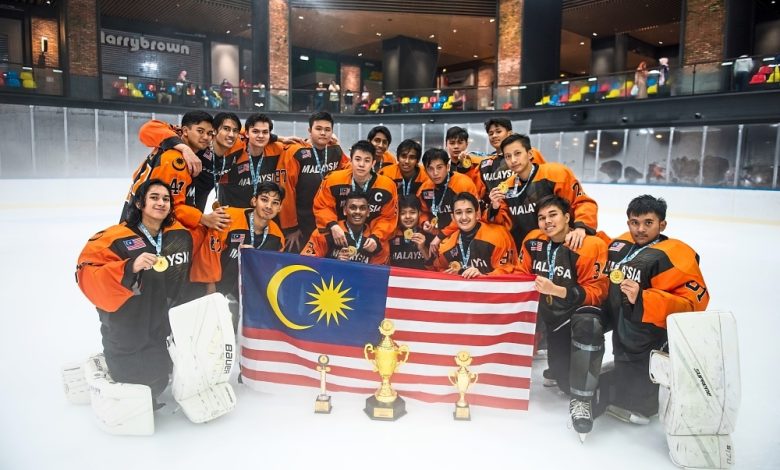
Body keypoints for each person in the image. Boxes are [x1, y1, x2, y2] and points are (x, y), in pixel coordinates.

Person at [589, 195, 710, 429]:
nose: (640, 229)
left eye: (648, 223)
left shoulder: (676, 255)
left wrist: (644, 299)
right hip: (621, 322)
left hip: (649, 333)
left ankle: (642, 397)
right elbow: (602, 250)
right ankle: (619, 378)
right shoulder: (622, 243)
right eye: (635, 223)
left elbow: (693, 303)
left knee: (640, 391)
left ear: (662, 224)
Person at [76, 179, 195, 402]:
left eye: (166, 199)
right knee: (133, 381)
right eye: (154, 197)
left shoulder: (179, 234)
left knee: (158, 378)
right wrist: (129, 267)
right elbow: (87, 272)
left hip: (161, 319)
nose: (161, 203)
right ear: (139, 203)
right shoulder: (113, 237)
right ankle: (111, 380)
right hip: (126, 322)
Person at [516, 195, 608, 440]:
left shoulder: (589, 245)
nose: (547, 221)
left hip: (578, 317)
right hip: (554, 321)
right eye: (541, 218)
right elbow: (519, 274)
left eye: (553, 215)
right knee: (563, 380)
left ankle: (608, 382)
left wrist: (557, 290)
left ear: (568, 217)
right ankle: (569, 369)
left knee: (588, 323)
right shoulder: (533, 241)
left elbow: (597, 294)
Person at [192, 181, 286, 329]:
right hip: (212, 287)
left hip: (243, 294)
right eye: (264, 199)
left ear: (280, 208)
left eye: (275, 203)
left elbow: (269, 273)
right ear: (254, 201)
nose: (269, 206)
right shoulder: (229, 218)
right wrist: (211, 291)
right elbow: (209, 254)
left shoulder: (278, 237)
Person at [488, 133, 598, 253]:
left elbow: (582, 203)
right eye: (508, 156)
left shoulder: (556, 174)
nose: (513, 160)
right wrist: (495, 208)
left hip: (566, 248)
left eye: (517, 153)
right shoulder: (506, 187)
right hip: (529, 253)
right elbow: (504, 225)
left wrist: (581, 228)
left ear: (530, 154)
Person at [125, 111, 224, 230]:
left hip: (141, 214)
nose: (206, 137)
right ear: (185, 131)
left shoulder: (180, 143)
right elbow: (170, 206)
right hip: (147, 224)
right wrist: (204, 219)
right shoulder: (176, 159)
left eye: (209, 133)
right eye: (200, 131)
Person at [280, 111, 350, 253]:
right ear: (309, 130)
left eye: (327, 129)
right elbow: (287, 190)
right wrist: (290, 228)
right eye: (318, 129)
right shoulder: (296, 152)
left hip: (327, 220)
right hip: (301, 222)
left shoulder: (335, 150)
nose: (323, 133)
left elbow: (349, 171)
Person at [312, 139, 398, 252]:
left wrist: (376, 237)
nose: (361, 164)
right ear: (351, 160)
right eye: (357, 159)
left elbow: (388, 217)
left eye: (367, 160)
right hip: (338, 233)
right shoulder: (333, 180)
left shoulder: (388, 186)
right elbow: (322, 206)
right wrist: (333, 225)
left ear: (373, 163)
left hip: (370, 236)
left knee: (383, 248)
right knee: (319, 236)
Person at [433, 192, 516, 278]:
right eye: (458, 213)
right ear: (453, 217)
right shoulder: (446, 246)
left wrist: (482, 277)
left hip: (490, 286)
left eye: (469, 211)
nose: (464, 217)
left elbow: (509, 270)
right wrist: (456, 273)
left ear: (477, 214)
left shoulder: (498, 236)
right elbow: (437, 269)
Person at [219, 113, 289, 209]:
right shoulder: (233, 150)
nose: (261, 136)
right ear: (247, 133)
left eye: (265, 132)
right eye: (255, 131)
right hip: (233, 213)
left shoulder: (277, 149)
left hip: (262, 214)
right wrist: (277, 137)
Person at [417, 148, 478, 257]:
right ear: (425, 171)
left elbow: (471, 216)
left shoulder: (463, 184)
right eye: (430, 169)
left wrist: (440, 236)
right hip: (438, 235)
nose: (435, 173)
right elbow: (422, 211)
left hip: (464, 234)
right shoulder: (424, 189)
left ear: (448, 166)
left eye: (439, 167)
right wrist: (424, 222)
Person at [302, 191, 389, 265]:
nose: (357, 212)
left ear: (368, 212)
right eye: (353, 207)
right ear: (345, 210)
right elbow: (305, 263)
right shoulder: (324, 233)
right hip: (328, 279)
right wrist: (334, 262)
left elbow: (378, 275)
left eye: (362, 208)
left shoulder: (377, 240)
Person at [389, 195, 432, 270]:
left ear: (419, 213)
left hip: (421, 277)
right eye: (403, 213)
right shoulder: (391, 235)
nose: (408, 216)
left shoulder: (427, 235)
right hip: (396, 277)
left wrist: (423, 248)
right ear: (398, 215)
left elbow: (434, 269)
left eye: (412, 212)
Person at [445, 126, 485, 196]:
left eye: (460, 143)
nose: (456, 146)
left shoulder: (478, 164)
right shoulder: (443, 166)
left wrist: (465, 166)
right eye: (452, 143)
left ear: (466, 144)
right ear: (446, 144)